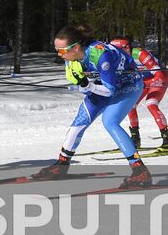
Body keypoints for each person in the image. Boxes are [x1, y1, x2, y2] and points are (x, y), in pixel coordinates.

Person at [34, 26, 152, 189]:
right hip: (101, 85)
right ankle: (61, 165)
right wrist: (82, 84)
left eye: (61, 51)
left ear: (75, 47)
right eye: (56, 50)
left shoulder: (101, 57)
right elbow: (80, 79)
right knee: (79, 121)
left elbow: (110, 90)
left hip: (128, 84)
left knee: (110, 121)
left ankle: (140, 171)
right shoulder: (71, 57)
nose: (59, 55)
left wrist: (87, 86)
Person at [109, 37, 168, 152]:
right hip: (143, 81)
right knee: (131, 104)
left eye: (116, 50)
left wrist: (145, 84)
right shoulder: (118, 59)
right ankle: (135, 139)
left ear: (127, 48)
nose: (114, 54)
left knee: (151, 104)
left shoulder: (140, 54)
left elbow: (159, 74)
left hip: (158, 78)